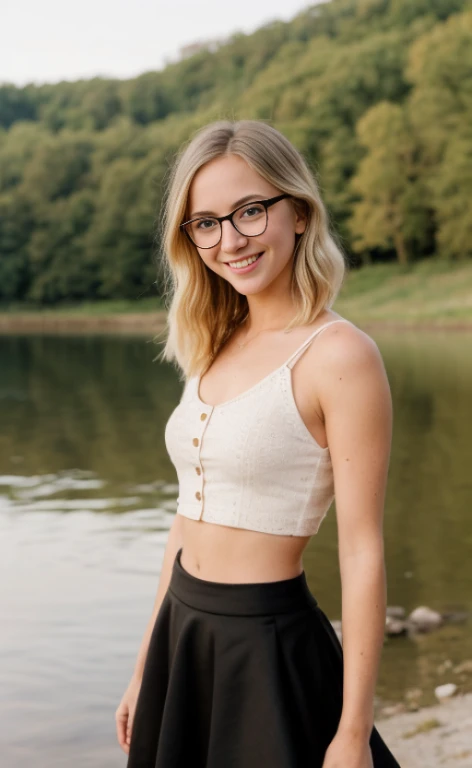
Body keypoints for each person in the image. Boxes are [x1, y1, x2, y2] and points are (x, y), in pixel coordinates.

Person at [116, 120, 401, 768]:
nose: (229, 240)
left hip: (268, 647)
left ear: (297, 212)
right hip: (181, 636)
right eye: (206, 223)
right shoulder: (211, 343)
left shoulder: (340, 356)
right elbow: (186, 518)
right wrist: (144, 668)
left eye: (250, 211)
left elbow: (362, 551)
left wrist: (353, 733)